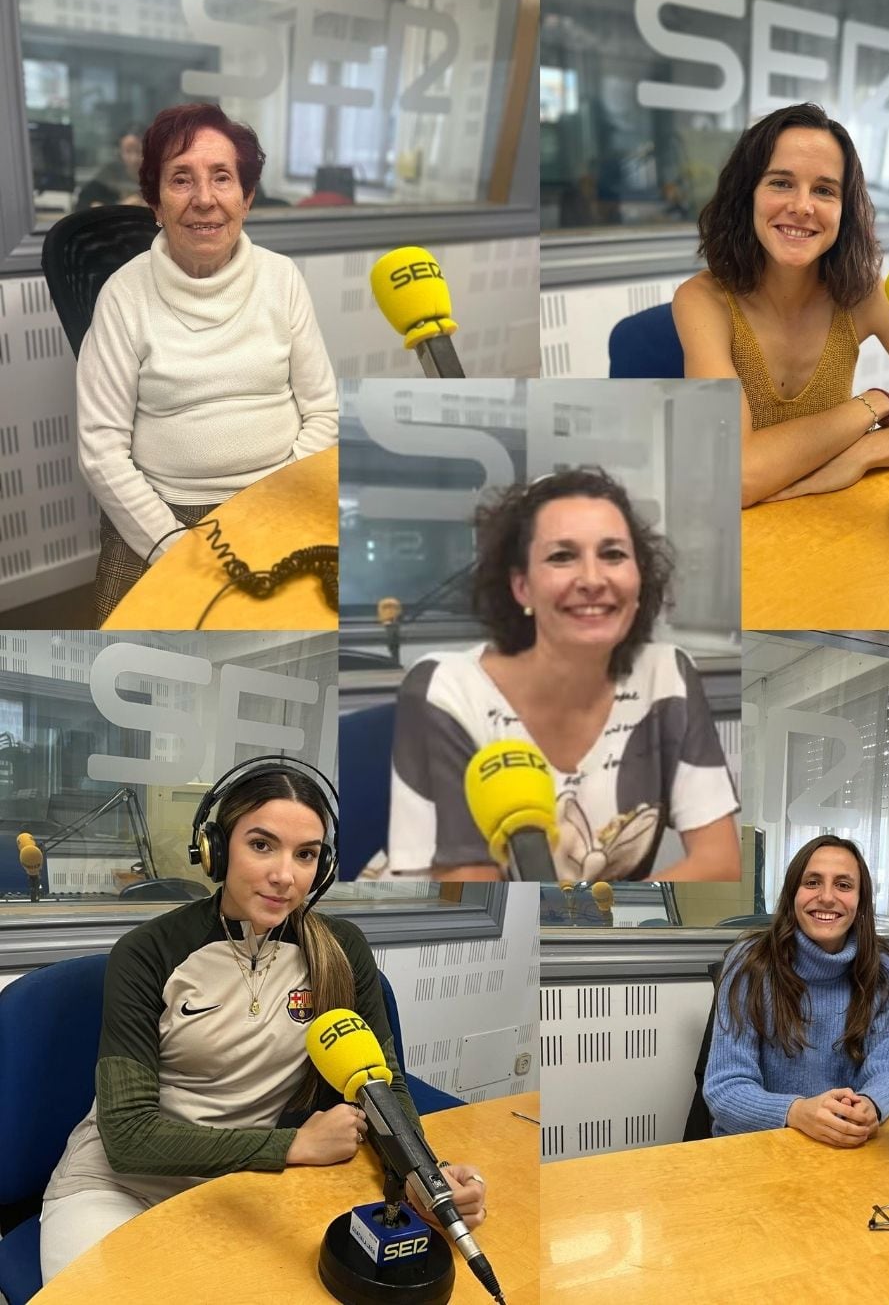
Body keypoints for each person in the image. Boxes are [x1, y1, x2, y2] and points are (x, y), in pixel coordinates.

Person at [39, 760, 487, 1284]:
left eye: (305, 855)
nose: (284, 875)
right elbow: (129, 1136)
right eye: (261, 845)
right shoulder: (148, 953)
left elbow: (383, 1087)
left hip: (244, 1184)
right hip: (120, 1185)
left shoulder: (340, 952)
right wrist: (290, 1146)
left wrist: (421, 1176)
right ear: (216, 848)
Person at [386, 467, 741, 882]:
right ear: (522, 587)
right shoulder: (446, 689)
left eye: (613, 555)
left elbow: (719, 865)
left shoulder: (667, 676)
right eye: (562, 556)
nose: (592, 579)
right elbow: (471, 893)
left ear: (639, 578)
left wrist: (600, 929)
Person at [76, 103, 338, 624]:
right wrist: (173, 545)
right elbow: (101, 449)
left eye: (222, 177)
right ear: (154, 203)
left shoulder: (282, 279)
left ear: (247, 197)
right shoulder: (122, 296)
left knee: (315, 633)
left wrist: (270, 510)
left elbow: (324, 413)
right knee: (152, 653)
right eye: (180, 179)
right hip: (167, 510)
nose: (204, 199)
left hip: (279, 494)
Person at [672, 103, 889, 508]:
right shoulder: (703, 300)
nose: (803, 206)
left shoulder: (865, 295)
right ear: (746, 196)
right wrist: (875, 404)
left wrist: (867, 452)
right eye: (781, 183)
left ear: (844, 210)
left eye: (824, 190)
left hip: (827, 521)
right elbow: (734, 477)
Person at [704, 835, 889, 1143]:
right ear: (793, 894)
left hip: (845, 1146)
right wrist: (797, 1112)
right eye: (813, 882)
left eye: (843, 885)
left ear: (860, 901)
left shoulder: (882, 969)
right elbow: (725, 1089)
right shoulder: (750, 962)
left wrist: (872, 1104)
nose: (827, 897)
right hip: (760, 1145)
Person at [75, 128, 145, 209]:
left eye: (139, 151)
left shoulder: (158, 176)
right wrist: (120, 206)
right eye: (128, 151)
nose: (134, 159)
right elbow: (84, 201)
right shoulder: (110, 173)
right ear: (119, 152)